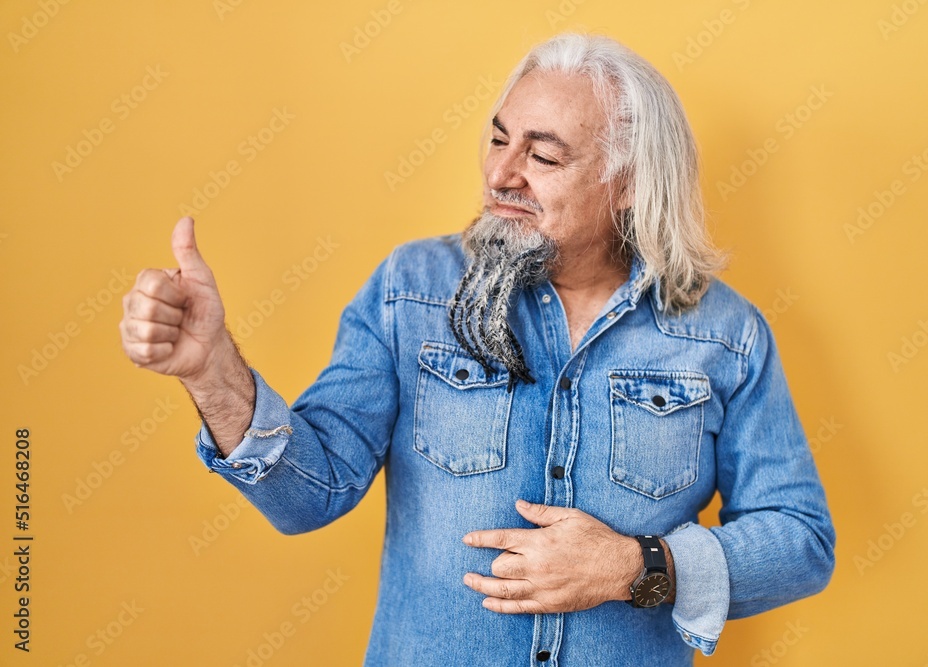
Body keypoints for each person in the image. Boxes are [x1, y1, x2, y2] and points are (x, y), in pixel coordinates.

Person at [120, 33, 834, 666]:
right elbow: (312, 492)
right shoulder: (411, 290)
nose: (501, 174)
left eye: (543, 154)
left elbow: (801, 540)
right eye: (498, 140)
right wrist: (212, 372)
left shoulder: (725, 335)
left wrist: (635, 564)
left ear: (629, 185)